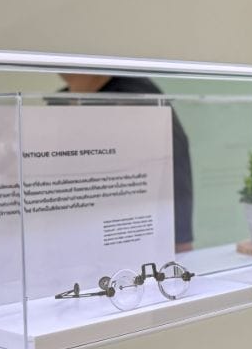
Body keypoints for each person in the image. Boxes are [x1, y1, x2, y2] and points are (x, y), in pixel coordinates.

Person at [59, 74, 194, 251]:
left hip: (130, 242)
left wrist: (178, 240)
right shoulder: (60, 100)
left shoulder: (134, 95)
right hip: (76, 238)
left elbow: (172, 167)